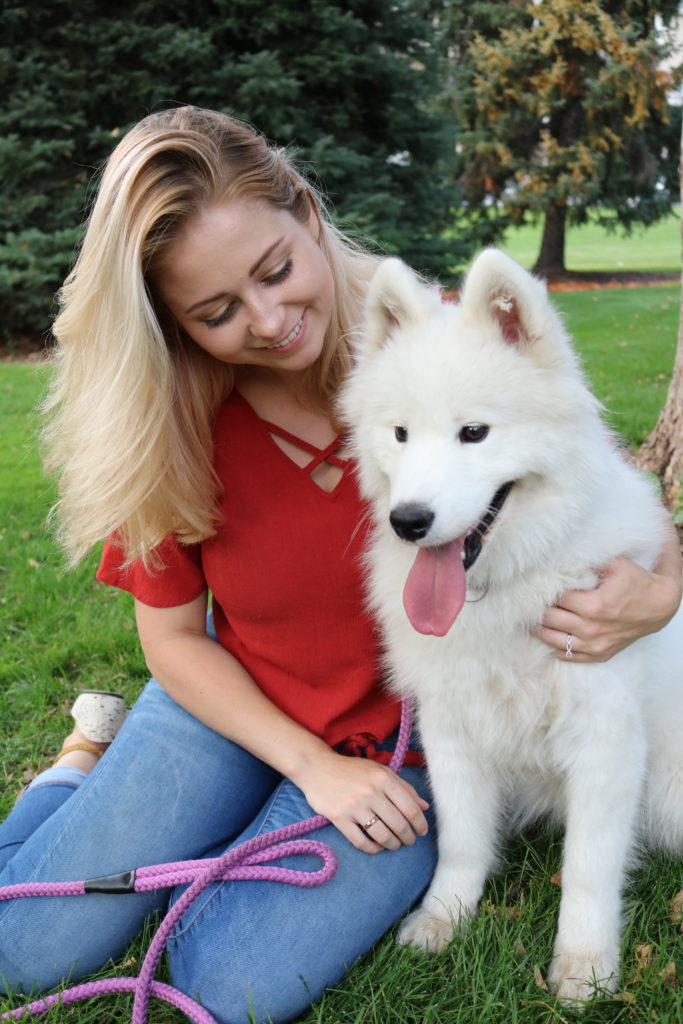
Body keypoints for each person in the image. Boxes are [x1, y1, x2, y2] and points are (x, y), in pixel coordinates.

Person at [0, 106, 680, 1024]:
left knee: (225, 989)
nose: (271, 321)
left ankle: (185, 828)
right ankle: (80, 766)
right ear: (174, 323)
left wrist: (662, 584)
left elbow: (589, 478)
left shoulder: (437, 348)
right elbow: (169, 640)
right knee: (25, 948)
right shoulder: (168, 425)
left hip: (404, 754)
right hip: (233, 707)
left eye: (276, 271)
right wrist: (308, 767)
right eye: (217, 312)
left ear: (307, 213)